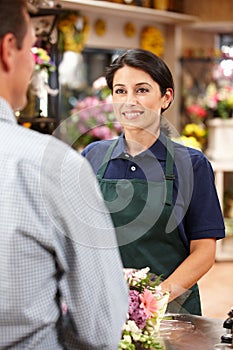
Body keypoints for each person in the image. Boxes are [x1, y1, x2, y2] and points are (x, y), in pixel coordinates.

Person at [0, 1, 128, 349]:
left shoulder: (188, 162)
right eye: (32, 49)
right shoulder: (54, 165)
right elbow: (101, 328)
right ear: (8, 50)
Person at [82, 48, 225, 316]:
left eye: (142, 90)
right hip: (104, 309)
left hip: (171, 312)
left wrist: (153, 302)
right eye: (120, 91)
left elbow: (204, 251)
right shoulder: (93, 156)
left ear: (166, 97)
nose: (129, 101)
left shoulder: (191, 165)